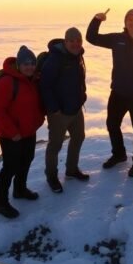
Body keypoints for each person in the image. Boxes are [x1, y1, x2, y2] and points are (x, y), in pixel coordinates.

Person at [86, 8, 133, 177]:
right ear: (125, 22)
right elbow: (91, 38)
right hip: (118, 93)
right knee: (112, 124)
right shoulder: (117, 39)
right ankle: (119, 154)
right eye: (129, 19)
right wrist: (96, 20)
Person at [0, 46, 45, 218]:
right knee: (10, 167)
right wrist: (13, 132)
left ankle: (20, 189)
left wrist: (38, 121)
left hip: (28, 132)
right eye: (26, 64)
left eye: (32, 63)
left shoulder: (32, 80)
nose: (29, 66)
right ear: (19, 65)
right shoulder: (7, 82)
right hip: (10, 135)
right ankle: (1, 203)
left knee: (26, 160)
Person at [40, 27, 89, 193]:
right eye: (71, 41)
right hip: (59, 113)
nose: (75, 44)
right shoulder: (55, 59)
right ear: (65, 41)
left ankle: (71, 169)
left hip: (75, 109)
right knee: (55, 146)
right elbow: (45, 86)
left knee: (79, 137)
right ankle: (51, 176)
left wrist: (82, 96)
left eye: (78, 40)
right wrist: (54, 109)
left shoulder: (77, 57)